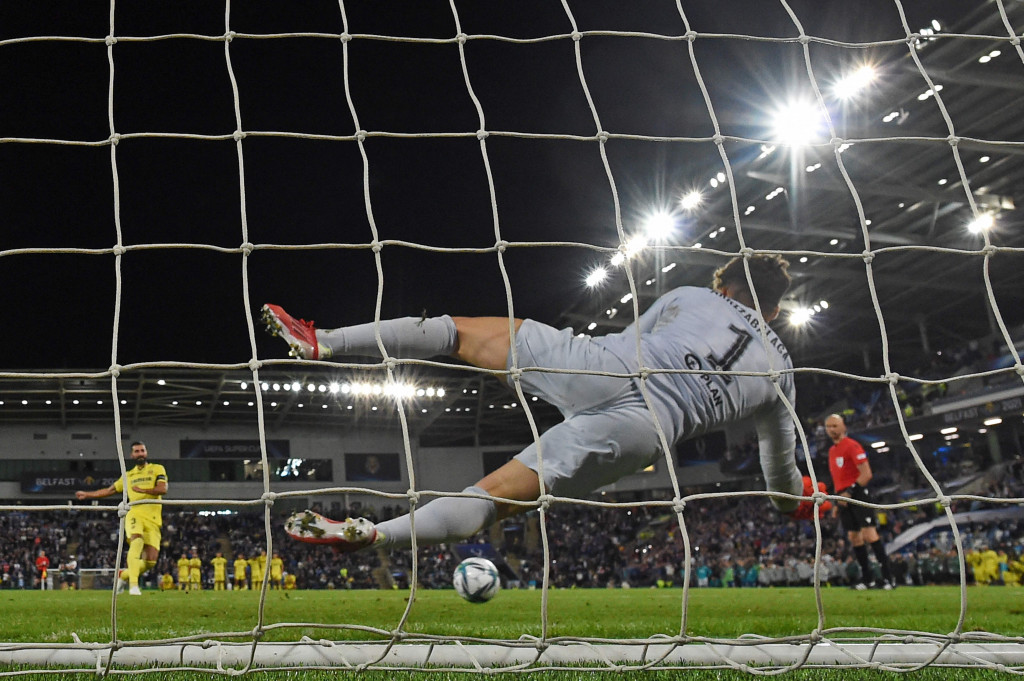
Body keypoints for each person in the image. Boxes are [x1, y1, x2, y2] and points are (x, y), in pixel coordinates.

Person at [264, 254, 821, 552]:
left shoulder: (692, 295)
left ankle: (324, 340)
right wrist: (798, 503)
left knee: (457, 332)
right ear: (773, 311)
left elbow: (631, 339)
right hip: (645, 432)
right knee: (490, 499)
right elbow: (779, 478)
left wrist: (541, 372)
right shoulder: (782, 374)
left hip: (602, 368)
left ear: (725, 287)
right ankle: (375, 534)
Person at [75, 442, 168, 596]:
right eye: (137, 451)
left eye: (142, 450)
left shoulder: (157, 469)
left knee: (150, 562)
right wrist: (87, 494)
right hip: (134, 513)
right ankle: (133, 586)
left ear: (146, 453)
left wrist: (142, 490)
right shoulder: (128, 476)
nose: (140, 453)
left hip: (153, 518)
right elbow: (109, 490)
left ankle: (123, 576)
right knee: (136, 541)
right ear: (132, 455)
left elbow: (162, 489)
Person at [824, 413, 895, 590]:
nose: (831, 429)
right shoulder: (832, 451)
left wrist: (850, 492)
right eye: (828, 426)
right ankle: (867, 579)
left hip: (858, 494)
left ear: (844, 427)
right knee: (854, 537)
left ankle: (888, 578)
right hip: (843, 497)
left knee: (869, 534)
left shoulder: (852, 445)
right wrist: (837, 502)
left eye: (835, 426)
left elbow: (866, 474)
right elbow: (838, 479)